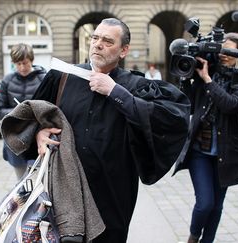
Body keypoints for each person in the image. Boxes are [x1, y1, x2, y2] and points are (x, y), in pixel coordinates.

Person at [26, 18, 190, 242]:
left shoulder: (135, 86)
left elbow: (173, 118)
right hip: (64, 191)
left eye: (107, 40)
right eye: (95, 38)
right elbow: (32, 114)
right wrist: (39, 133)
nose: (98, 44)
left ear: (124, 50)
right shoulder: (63, 76)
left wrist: (115, 92)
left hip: (112, 194)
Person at [173, 32, 238, 243]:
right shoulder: (206, 71)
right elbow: (187, 102)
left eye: (229, 51)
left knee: (217, 206)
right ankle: (194, 236)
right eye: (221, 50)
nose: (223, 55)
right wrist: (188, 76)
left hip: (227, 153)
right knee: (205, 202)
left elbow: (232, 105)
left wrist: (207, 80)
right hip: (200, 151)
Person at [0, 43, 46, 180]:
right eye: (18, 64)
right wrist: (18, 112)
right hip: (15, 137)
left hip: (37, 137)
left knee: (39, 180)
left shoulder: (43, 79)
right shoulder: (7, 80)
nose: (22, 67)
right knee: (21, 182)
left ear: (31, 60)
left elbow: (51, 107)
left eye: (25, 63)